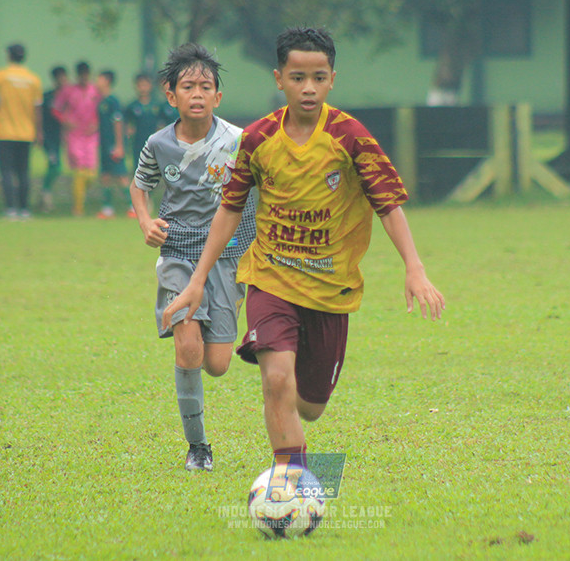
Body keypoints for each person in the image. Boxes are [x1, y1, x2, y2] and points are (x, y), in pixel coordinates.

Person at [162, 27, 445, 470]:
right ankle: (291, 482)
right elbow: (230, 210)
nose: (307, 87)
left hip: (331, 289)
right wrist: (198, 281)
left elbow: (387, 204)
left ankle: (295, 457)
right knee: (275, 379)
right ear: (279, 79)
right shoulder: (257, 139)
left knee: (310, 405)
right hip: (271, 277)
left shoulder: (351, 137)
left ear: (332, 78)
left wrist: (415, 267)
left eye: (318, 76)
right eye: (297, 77)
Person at [130, 43, 256, 471]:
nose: (197, 94)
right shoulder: (158, 144)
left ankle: (228, 304)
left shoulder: (238, 141)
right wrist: (146, 221)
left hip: (226, 256)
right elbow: (140, 184)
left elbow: (258, 193)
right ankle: (198, 447)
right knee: (188, 350)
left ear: (218, 97)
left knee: (217, 364)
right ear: (171, 95)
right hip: (179, 253)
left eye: (206, 86)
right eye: (188, 86)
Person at [0, 43, 43, 220]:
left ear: (9, 56)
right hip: (26, 132)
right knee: (24, 171)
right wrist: (38, 131)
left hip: (4, 131)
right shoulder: (33, 80)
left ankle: (10, 209)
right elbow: (37, 109)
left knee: (6, 171)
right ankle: (24, 209)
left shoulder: (0, 76)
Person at [52, 61, 101, 217]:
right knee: (79, 170)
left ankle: (80, 197)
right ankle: (78, 207)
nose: (84, 77)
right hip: (74, 135)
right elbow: (56, 109)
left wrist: (97, 123)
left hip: (91, 135)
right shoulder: (69, 91)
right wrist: (65, 121)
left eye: (86, 74)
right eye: (81, 74)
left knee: (91, 173)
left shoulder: (95, 91)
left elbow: (102, 109)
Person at [124, 72, 168, 217]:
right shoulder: (132, 106)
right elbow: (127, 126)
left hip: (154, 146)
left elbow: (162, 125)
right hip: (138, 145)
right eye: (140, 85)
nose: (143, 88)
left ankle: (150, 201)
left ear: (150, 86)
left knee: (156, 174)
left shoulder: (157, 106)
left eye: (146, 84)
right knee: (138, 173)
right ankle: (135, 205)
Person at [95, 69, 130, 218]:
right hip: (103, 144)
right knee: (105, 176)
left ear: (107, 81)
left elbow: (118, 123)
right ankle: (108, 208)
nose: (97, 81)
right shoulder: (100, 101)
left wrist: (119, 145)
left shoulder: (113, 101)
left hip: (113, 144)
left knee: (121, 175)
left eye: (99, 78)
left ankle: (133, 206)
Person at [40, 65, 69, 213]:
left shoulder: (70, 96)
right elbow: (40, 116)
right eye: (59, 78)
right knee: (55, 165)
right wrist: (39, 133)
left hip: (63, 136)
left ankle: (46, 193)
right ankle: (45, 193)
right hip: (49, 137)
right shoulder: (47, 97)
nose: (62, 81)